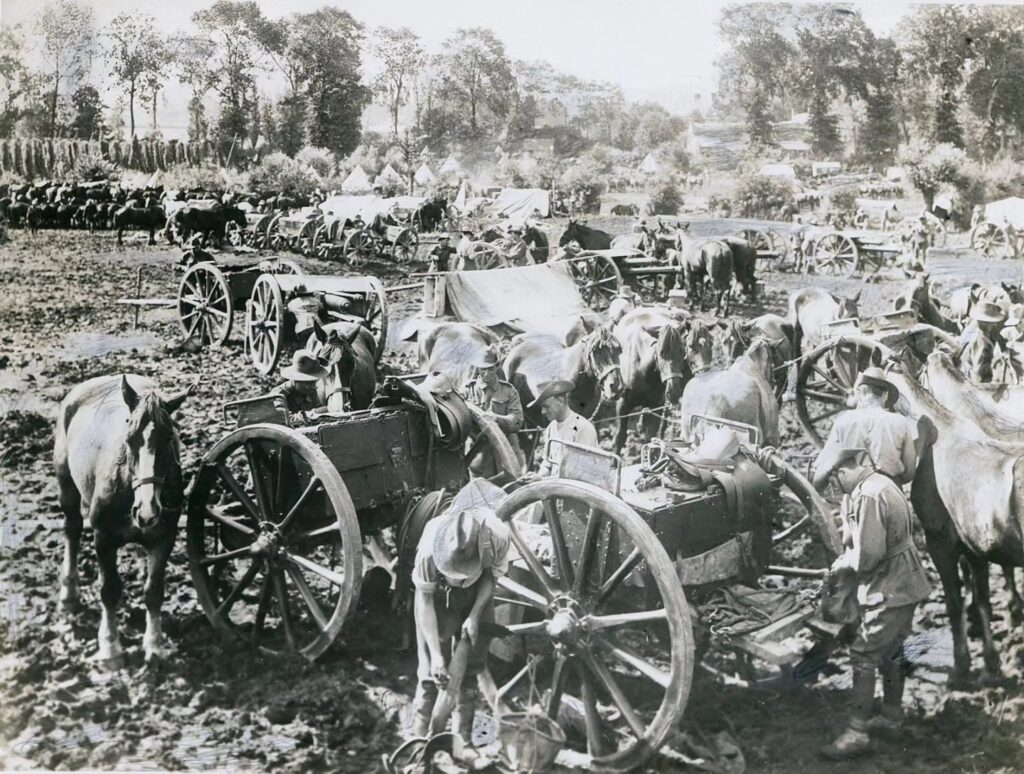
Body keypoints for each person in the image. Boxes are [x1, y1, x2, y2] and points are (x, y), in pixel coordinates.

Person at [816, 447, 931, 760]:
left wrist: (842, 562)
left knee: (864, 654)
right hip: (906, 579)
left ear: (841, 471)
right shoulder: (882, 482)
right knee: (893, 650)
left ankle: (856, 733)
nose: (836, 489)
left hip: (889, 584)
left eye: (834, 482)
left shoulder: (867, 495)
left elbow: (868, 557)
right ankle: (891, 716)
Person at [411, 505, 511, 752]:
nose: (458, 577)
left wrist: (476, 615)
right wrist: (435, 655)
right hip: (437, 600)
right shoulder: (428, 548)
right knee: (431, 671)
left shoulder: (497, 536)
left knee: (472, 664)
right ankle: (418, 739)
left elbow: (492, 578)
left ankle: (461, 740)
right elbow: (424, 600)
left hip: (478, 594)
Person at [813, 367, 918, 491]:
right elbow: (910, 471)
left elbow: (824, 466)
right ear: (885, 395)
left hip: (856, 492)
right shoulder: (900, 422)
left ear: (861, 393)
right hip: (891, 489)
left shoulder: (843, 420)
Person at [463, 348, 524, 476]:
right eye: (482, 369)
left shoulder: (508, 391)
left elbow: (518, 421)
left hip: (506, 455)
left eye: (490, 369)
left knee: (510, 490)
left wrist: (497, 419)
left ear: (498, 366)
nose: (486, 373)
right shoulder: (468, 390)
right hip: (478, 456)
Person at [527, 380, 599, 478]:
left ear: (560, 401)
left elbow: (580, 474)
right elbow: (547, 465)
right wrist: (537, 478)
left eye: (546, 406)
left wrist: (542, 480)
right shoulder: (550, 429)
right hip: (556, 486)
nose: (543, 412)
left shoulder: (582, 428)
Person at [959, 301, 1006, 383]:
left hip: (965, 373)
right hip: (974, 382)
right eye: (991, 322)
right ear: (984, 323)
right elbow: (980, 371)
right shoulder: (981, 340)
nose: (994, 325)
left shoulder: (972, 330)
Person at [272, 349, 327, 416]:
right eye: (309, 383)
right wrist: (313, 413)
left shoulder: (311, 392)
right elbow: (284, 419)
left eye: (314, 382)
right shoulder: (278, 395)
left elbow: (321, 413)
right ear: (295, 379)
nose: (314, 387)